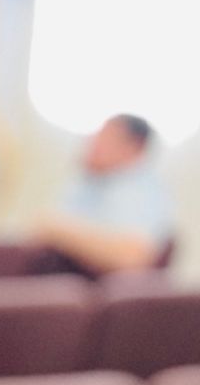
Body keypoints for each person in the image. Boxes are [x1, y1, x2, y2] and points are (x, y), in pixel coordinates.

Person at [32, 112, 176, 276]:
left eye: (105, 137)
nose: (92, 143)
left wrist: (57, 229)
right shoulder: (91, 182)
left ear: (134, 147)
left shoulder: (140, 189)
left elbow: (132, 256)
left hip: (92, 292)